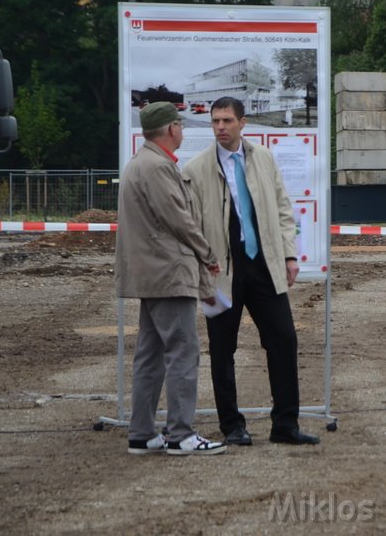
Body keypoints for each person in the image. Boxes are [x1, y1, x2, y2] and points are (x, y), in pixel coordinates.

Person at [183, 97, 320, 446]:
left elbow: (283, 209)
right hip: (222, 271)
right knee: (222, 348)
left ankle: (285, 424)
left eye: (227, 120)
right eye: (215, 121)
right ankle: (232, 426)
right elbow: (189, 224)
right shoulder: (196, 169)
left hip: (264, 266)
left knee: (284, 341)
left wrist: (289, 256)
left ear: (243, 123)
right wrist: (201, 270)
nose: (220, 127)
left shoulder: (264, 158)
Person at [115, 102, 225, 456]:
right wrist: (208, 253)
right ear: (170, 128)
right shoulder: (158, 167)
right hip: (168, 272)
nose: (182, 129)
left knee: (150, 352)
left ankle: (143, 433)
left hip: (153, 272)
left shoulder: (141, 162)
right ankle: (181, 433)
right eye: (179, 123)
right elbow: (179, 220)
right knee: (183, 351)